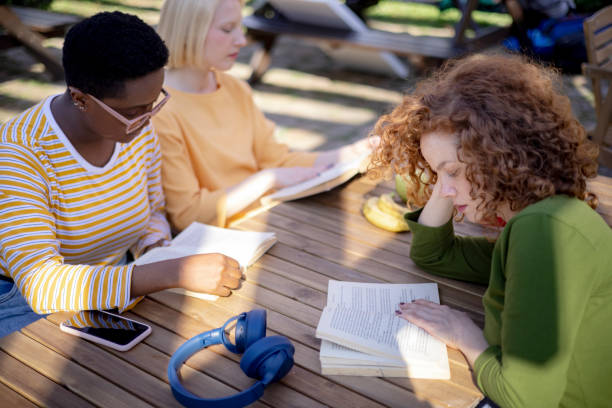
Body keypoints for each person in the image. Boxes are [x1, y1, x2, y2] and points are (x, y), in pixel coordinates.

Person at [369, 54, 612, 407]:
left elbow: (523, 399)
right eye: (439, 176)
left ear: (499, 157)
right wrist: (447, 173)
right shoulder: (544, 217)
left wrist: (464, 335)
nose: (446, 191)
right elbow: (433, 255)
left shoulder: (542, 232)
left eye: (452, 172)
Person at [0, 11, 241, 338]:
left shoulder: (136, 128)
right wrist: (172, 270)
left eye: (154, 103)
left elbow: (153, 210)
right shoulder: (19, 154)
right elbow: (41, 285)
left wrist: (157, 247)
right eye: (132, 112)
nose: (146, 119)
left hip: (120, 286)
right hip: (25, 307)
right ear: (80, 99)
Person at [153, 0, 377, 230]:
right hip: (221, 238)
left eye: (240, 27)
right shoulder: (159, 112)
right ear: (189, 30)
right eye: (227, 29)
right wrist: (268, 179)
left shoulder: (235, 88)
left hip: (268, 217)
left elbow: (277, 160)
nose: (241, 40)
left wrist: (347, 154)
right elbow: (187, 215)